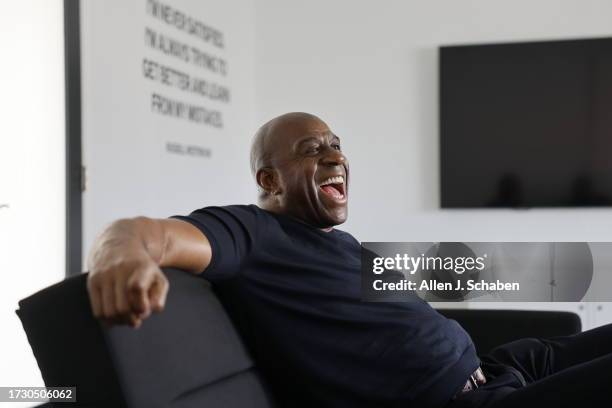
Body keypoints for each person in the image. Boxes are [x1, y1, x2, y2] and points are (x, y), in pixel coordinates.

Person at [87, 112, 612, 408]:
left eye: (336, 146)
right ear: (269, 180)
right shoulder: (252, 232)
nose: (336, 157)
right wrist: (120, 252)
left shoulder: (333, 240)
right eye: (312, 150)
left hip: (503, 366)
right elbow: (146, 233)